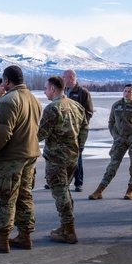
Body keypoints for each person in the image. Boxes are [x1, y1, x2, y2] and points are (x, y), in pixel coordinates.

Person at [0, 65, 43, 253]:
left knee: (6, 198)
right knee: (25, 196)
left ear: (7, 81)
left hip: (11, 158)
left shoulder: (8, 101)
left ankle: (2, 238)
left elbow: (1, 134)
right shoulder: (33, 99)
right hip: (30, 155)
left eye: (3, 81)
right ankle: (25, 235)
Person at [38, 76, 89, 244]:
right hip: (72, 157)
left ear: (53, 89)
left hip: (56, 159)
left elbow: (41, 134)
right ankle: (65, 226)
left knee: (60, 194)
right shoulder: (77, 106)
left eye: (45, 88)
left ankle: (69, 230)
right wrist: (77, 149)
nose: (44, 92)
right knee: (65, 192)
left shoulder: (52, 109)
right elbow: (84, 130)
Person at [88, 84, 132, 201]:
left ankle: (130, 190)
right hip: (119, 139)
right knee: (113, 165)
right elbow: (111, 122)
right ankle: (99, 190)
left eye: (129, 92)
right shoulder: (116, 106)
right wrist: (114, 134)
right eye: (125, 91)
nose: (127, 93)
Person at [61, 70, 93, 192]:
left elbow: (89, 112)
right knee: (61, 156)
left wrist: (79, 125)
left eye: (64, 77)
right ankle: (61, 181)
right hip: (64, 130)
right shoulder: (63, 92)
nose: (62, 79)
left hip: (77, 130)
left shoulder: (82, 92)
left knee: (77, 156)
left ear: (72, 77)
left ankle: (78, 182)